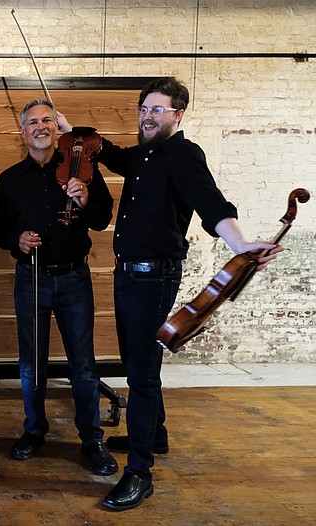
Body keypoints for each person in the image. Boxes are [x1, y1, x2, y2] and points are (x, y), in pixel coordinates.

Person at [96, 77, 283, 511]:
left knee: (141, 373)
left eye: (157, 110)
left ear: (178, 115)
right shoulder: (143, 154)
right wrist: (77, 132)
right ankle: (154, 434)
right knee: (137, 362)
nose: (148, 116)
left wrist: (240, 245)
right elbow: (114, 156)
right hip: (128, 275)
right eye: (144, 108)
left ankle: (139, 474)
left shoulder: (183, 154)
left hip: (153, 278)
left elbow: (211, 202)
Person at [0, 99, 118, 476]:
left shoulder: (84, 170)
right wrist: (17, 241)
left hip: (74, 277)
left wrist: (86, 198)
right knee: (32, 364)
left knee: (83, 365)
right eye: (32, 122)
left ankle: (91, 439)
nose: (41, 126)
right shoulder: (10, 179)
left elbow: (101, 219)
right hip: (30, 278)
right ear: (23, 131)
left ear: (56, 129)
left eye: (47, 120)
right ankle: (34, 430)